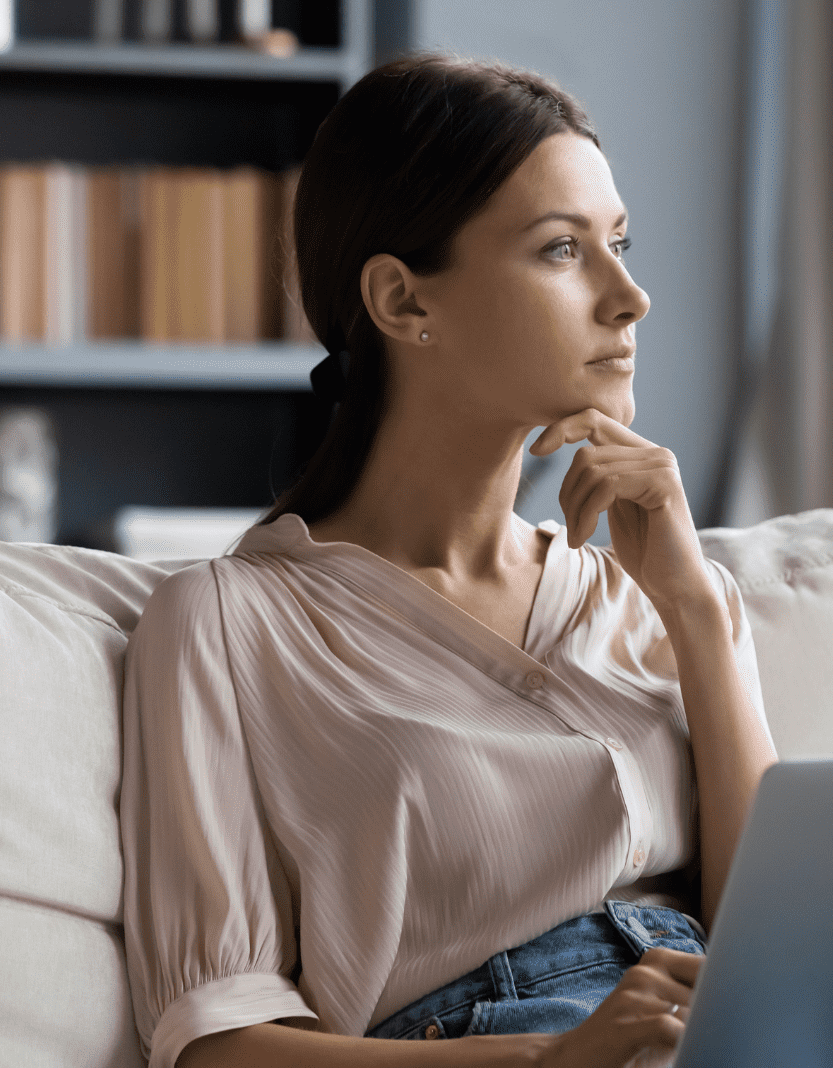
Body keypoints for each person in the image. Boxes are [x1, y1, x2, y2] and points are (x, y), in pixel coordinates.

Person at [119, 53, 778, 1068]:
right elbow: (222, 1043)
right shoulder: (227, 622)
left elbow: (779, 945)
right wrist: (548, 1064)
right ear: (401, 302)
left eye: (620, 243)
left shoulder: (644, 593)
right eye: (563, 250)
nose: (630, 297)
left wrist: (699, 615)